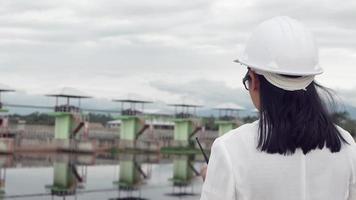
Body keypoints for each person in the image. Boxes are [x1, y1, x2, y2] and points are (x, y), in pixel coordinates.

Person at [200, 16, 356, 200]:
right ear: (311, 78)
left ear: (254, 79)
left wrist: (215, 181)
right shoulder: (346, 145)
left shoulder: (229, 150)